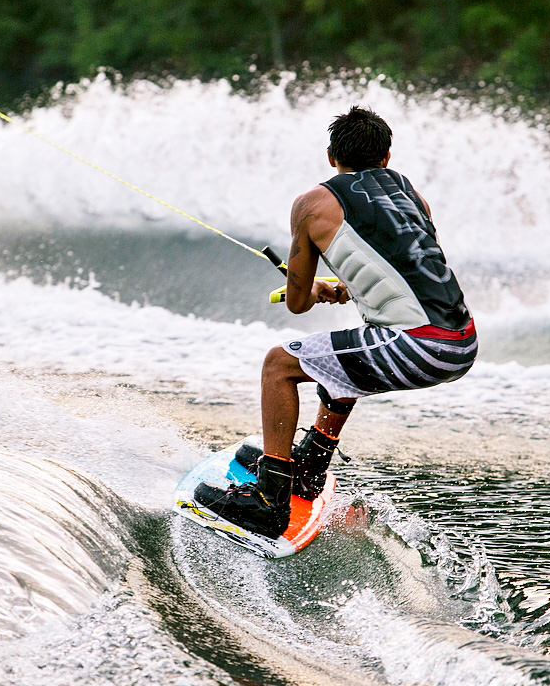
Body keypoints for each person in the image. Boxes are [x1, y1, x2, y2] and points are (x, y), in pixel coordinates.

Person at [195, 106, 477, 538]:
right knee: (338, 356)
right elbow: (409, 267)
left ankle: (270, 499)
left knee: (279, 364)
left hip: (421, 346)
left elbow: (296, 304)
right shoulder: (411, 194)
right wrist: (346, 285)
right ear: (386, 156)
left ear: (331, 157)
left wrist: (314, 290)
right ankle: (308, 466)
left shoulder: (312, 205)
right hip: (461, 340)